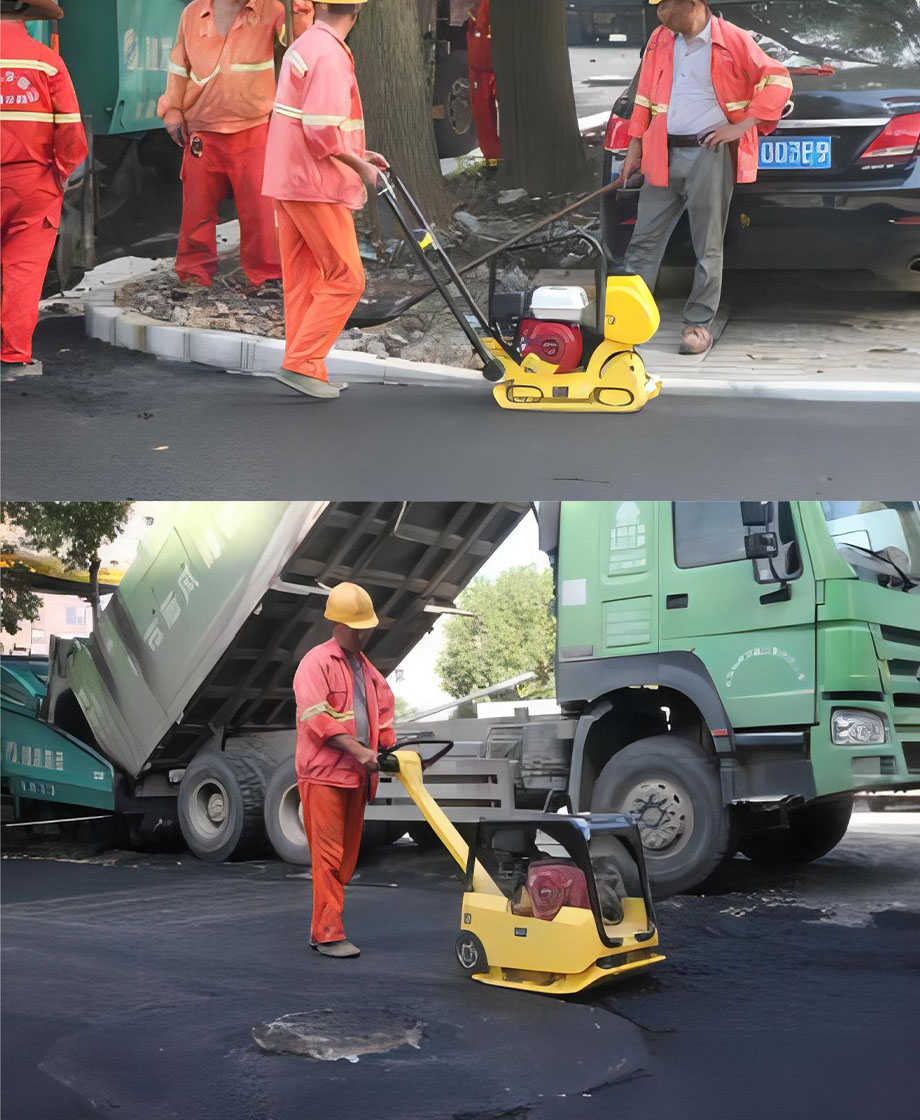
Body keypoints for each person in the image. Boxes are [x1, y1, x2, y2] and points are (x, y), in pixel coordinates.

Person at [619, 0, 791, 354]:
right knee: (643, 243)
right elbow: (644, 97)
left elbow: (778, 80)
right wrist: (635, 146)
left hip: (708, 156)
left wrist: (740, 126)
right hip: (660, 152)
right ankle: (623, 321)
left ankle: (698, 323)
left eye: (666, 6)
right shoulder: (659, 39)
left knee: (707, 246)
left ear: (694, 4)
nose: (660, 14)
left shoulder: (733, 40)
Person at [263, 0, 388, 400]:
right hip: (316, 184)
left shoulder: (303, 45)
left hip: (289, 180)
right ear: (357, 12)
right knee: (348, 278)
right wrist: (362, 168)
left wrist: (361, 154)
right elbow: (320, 131)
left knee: (304, 279)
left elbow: (311, 123)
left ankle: (306, 367)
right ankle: (302, 362)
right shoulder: (331, 55)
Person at [156, 0, 314, 290]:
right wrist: (172, 110)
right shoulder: (192, 13)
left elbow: (299, 42)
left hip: (253, 128)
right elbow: (180, 65)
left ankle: (266, 275)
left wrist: (299, 8)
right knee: (196, 210)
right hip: (203, 131)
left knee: (260, 210)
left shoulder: (273, 10)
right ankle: (193, 275)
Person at [293, 581, 396, 958]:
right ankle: (328, 933)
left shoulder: (367, 671)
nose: (365, 632)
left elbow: (382, 715)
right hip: (324, 777)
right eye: (359, 626)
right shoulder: (316, 664)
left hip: (356, 777)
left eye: (366, 626)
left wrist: (389, 748)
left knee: (347, 859)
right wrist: (359, 750)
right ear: (339, 624)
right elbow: (314, 719)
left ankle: (324, 926)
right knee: (330, 859)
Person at [0, 0, 87, 376]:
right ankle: (13, 358)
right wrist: (58, 175)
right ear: (24, 9)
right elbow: (71, 134)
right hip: (32, 184)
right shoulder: (45, 61)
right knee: (22, 270)